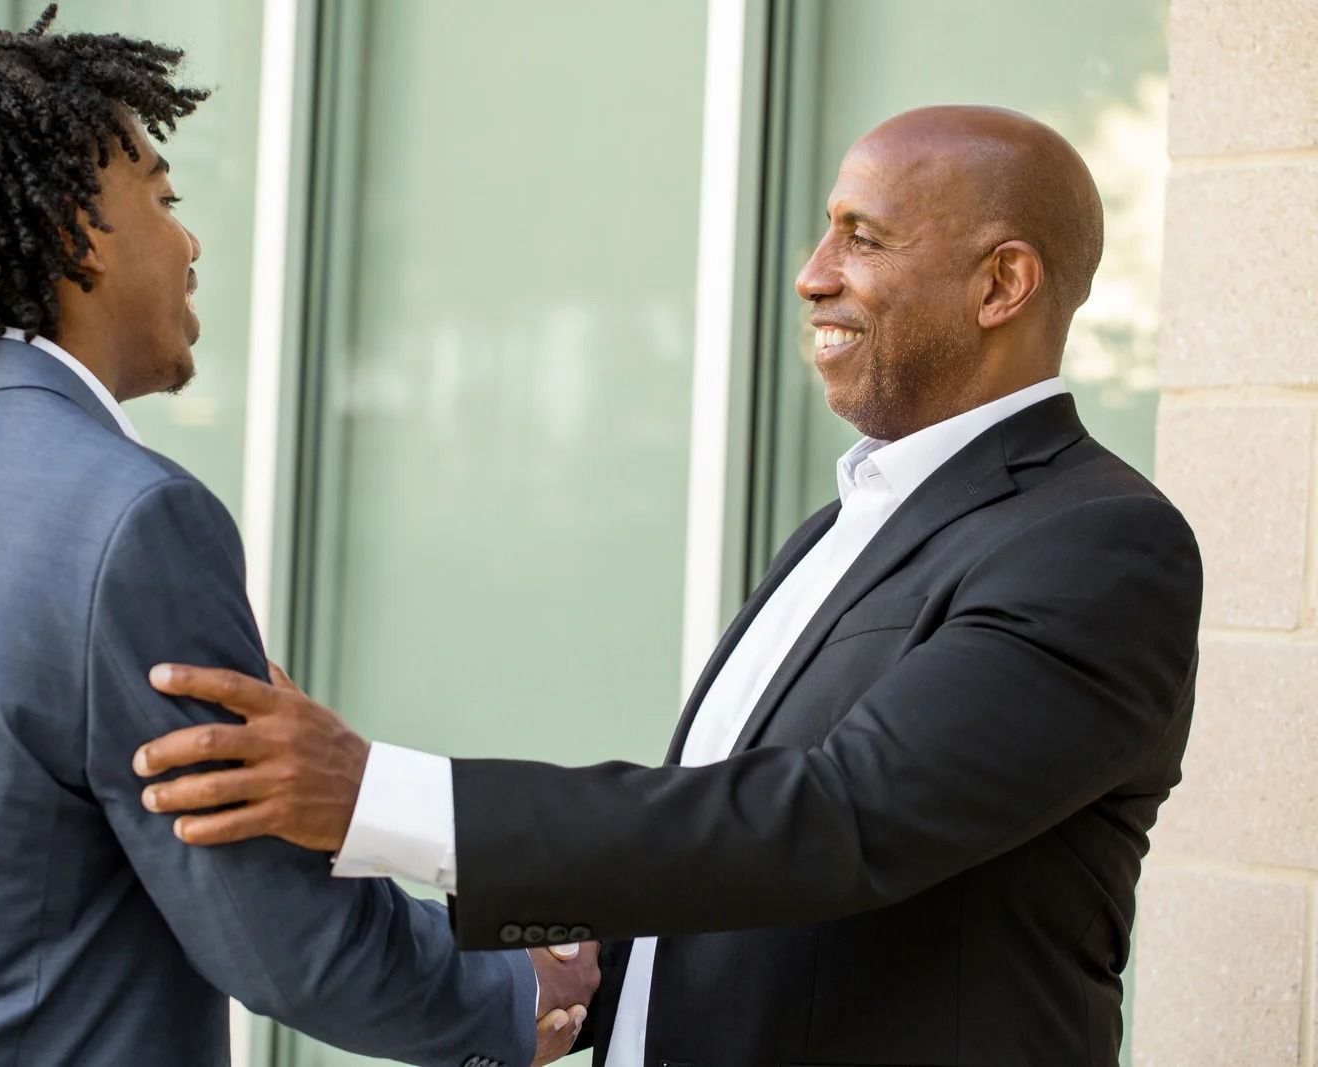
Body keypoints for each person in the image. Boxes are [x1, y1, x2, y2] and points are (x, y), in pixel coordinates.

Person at [130, 105, 1204, 1067]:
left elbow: (839, 820)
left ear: (1000, 284)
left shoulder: (1096, 545)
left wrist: (376, 792)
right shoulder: (856, 518)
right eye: (827, 229)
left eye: (862, 237)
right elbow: (743, 860)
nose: (812, 271)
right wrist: (589, 974)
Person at [0, 8, 596, 1066]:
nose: (189, 242)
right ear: (74, 231)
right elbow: (274, 936)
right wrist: (516, 991)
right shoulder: (130, 521)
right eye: (164, 199)